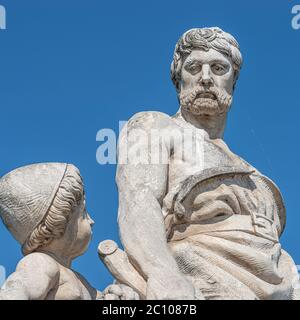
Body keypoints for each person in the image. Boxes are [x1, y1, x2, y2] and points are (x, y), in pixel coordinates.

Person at [116, 27, 300, 300]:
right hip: (198, 278)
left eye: (218, 68)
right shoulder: (155, 127)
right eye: (193, 68)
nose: (205, 78)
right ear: (178, 80)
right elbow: (138, 203)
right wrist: (163, 274)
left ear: (233, 80)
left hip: (275, 285)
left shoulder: (249, 171)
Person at [0, 163, 138, 300]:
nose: (91, 221)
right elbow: (16, 290)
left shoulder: (78, 279)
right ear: (59, 223)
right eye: (84, 214)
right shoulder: (41, 262)